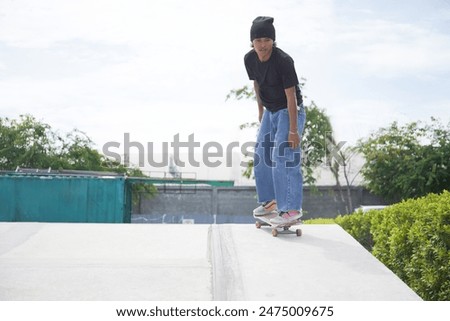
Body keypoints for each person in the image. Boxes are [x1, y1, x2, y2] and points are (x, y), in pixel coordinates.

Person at [244, 16, 306, 224]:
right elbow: (257, 85)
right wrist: (261, 112)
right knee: (261, 154)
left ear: (273, 41)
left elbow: (291, 96)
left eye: (267, 40)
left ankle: (290, 210)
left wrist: (293, 130)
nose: (262, 45)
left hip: (289, 111)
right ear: (252, 41)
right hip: (270, 111)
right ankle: (270, 202)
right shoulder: (249, 59)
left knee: (283, 155)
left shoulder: (283, 61)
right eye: (258, 40)